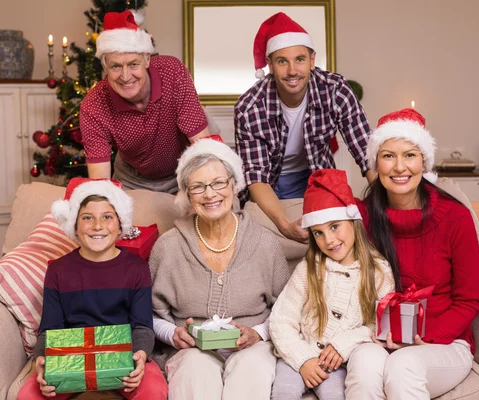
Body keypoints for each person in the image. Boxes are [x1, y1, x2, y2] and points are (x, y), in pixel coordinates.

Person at [345, 108, 479, 399]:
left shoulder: (455, 218)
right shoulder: (362, 217)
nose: (399, 167)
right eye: (388, 156)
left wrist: (421, 338)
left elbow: (469, 300)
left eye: (409, 155)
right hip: (379, 337)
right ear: (375, 164)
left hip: (443, 342)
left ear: (424, 162)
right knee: (365, 366)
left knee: (403, 365)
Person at [149, 138, 291, 399]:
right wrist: (173, 334)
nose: (210, 194)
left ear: (234, 185)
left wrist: (258, 333)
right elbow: (147, 314)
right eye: (198, 187)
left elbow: (289, 309)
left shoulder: (264, 243)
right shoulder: (168, 246)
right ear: (187, 195)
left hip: (252, 348)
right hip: (191, 350)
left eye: (218, 183)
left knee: (252, 369)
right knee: (195, 370)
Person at [17, 179, 168, 400]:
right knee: (29, 396)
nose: (97, 226)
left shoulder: (136, 268)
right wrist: (42, 360)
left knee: (153, 391)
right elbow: (50, 329)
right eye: (87, 218)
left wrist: (139, 356)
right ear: (75, 226)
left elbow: (142, 326)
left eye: (107, 217)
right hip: (70, 357)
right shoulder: (58, 270)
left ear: (120, 225)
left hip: (123, 354)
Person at [234, 12, 376, 243]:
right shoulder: (250, 107)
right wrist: (283, 224)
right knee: (257, 237)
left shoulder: (335, 90)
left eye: (299, 59)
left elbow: (367, 153)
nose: (292, 71)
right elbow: (256, 177)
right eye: (282, 61)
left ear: (312, 60)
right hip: (268, 183)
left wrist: (389, 203)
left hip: (317, 176)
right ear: (270, 65)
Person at [269, 169, 395, 400]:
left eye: (335, 226)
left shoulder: (379, 270)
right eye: (318, 232)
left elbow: (381, 325)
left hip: (339, 364)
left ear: (353, 222)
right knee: (283, 393)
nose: (329, 240)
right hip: (298, 356)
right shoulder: (309, 268)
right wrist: (302, 358)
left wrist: (345, 342)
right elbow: (281, 319)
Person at [80, 10, 212, 193]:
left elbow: (203, 146)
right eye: (116, 66)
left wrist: (202, 189)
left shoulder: (172, 72)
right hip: (132, 178)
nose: (125, 77)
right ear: (105, 66)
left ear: (147, 59)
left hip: (184, 167)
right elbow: (99, 182)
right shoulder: (93, 105)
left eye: (133, 64)